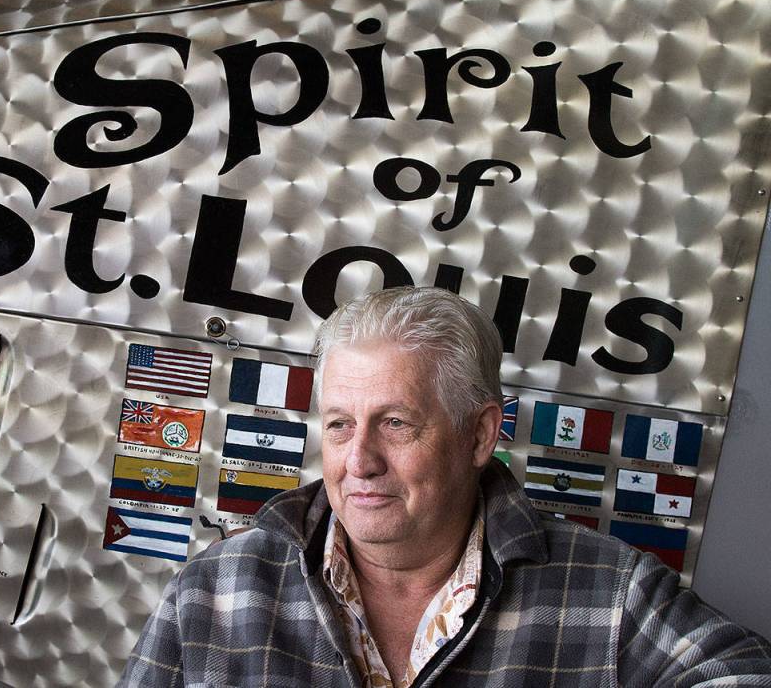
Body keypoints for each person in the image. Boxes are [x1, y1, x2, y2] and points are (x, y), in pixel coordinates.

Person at [119, 286, 771, 687]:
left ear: (480, 434)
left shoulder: (608, 594)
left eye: (396, 423)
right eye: (341, 424)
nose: (359, 460)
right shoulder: (219, 586)